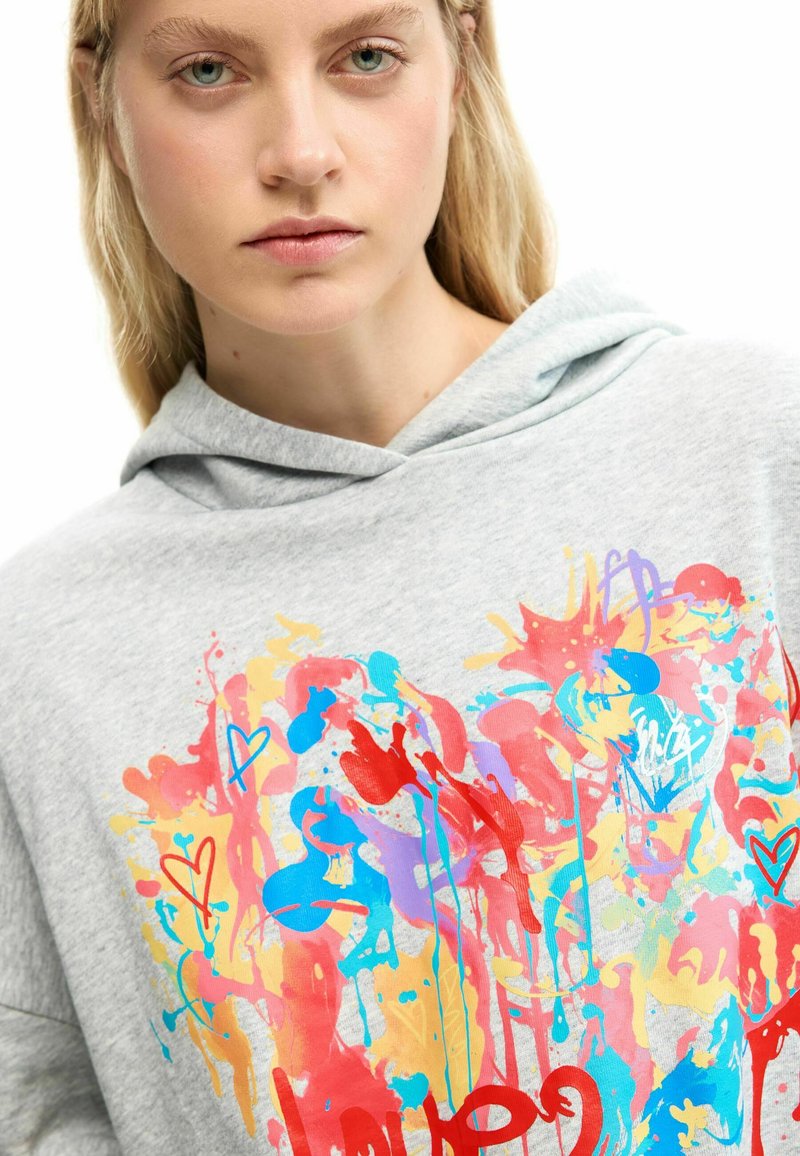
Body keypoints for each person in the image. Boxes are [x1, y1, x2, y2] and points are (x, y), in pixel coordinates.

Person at [1, 1, 798, 1154]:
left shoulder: (752, 450)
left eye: (364, 57)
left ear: (459, 55)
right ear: (100, 97)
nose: (300, 153)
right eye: (210, 71)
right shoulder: (39, 652)